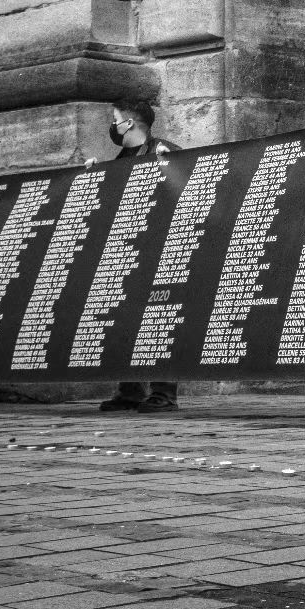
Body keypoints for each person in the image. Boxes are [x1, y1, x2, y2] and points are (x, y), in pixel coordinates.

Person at [97, 98, 183, 414]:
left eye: (115, 118)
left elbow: (190, 189)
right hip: (129, 250)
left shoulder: (165, 150)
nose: (113, 125)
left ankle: (163, 393)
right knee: (123, 319)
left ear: (129, 123)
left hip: (160, 251)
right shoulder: (122, 158)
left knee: (158, 320)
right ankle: (130, 390)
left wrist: (170, 167)